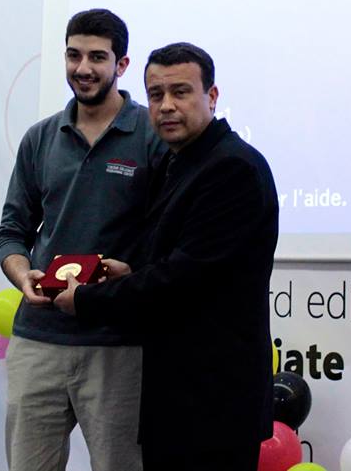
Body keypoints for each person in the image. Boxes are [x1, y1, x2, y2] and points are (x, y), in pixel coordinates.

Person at [55, 42, 279, 471]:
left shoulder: (231, 168)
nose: (167, 106)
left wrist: (84, 299)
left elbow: (182, 279)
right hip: (179, 399)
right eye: (156, 95)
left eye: (181, 92)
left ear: (212, 97)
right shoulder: (180, 163)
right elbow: (179, 264)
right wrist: (130, 272)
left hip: (214, 404)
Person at [0, 9, 165, 471]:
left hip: (118, 343)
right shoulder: (40, 138)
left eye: (97, 57)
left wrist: (133, 273)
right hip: (38, 338)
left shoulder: (153, 135)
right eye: (73, 55)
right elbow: (11, 231)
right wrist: (22, 276)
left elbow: (170, 238)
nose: (83, 68)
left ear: (122, 64)